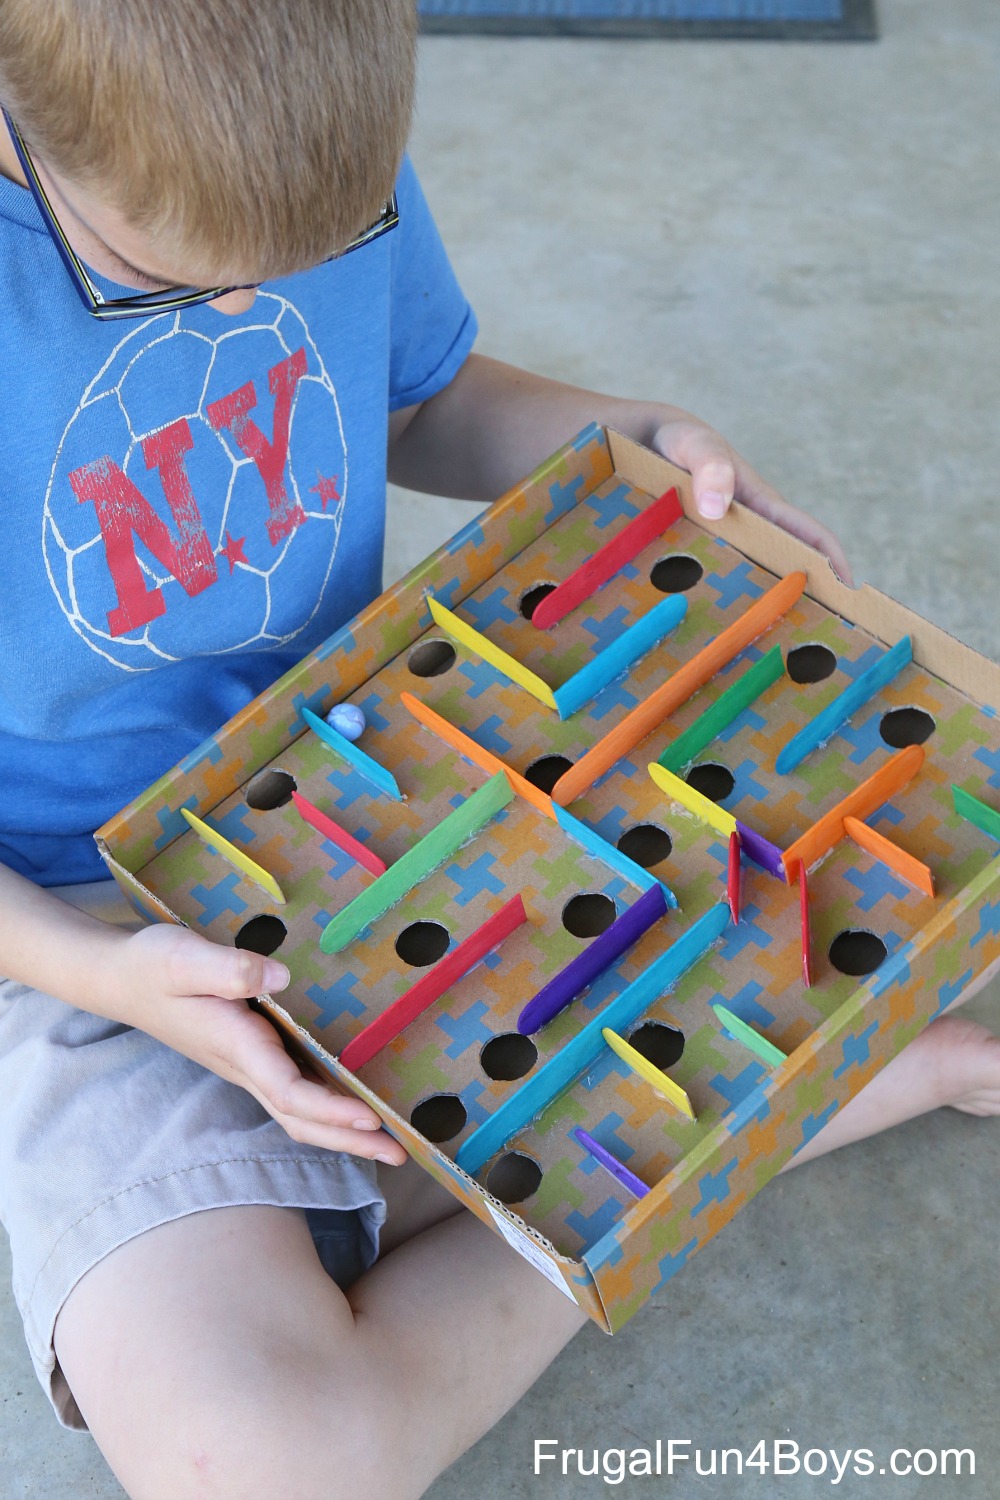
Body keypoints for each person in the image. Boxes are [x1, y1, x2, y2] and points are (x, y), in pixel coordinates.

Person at [0, 4, 996, 1497]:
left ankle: (672, 1111)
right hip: (84, 928)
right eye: (165, 282)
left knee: (932, 831)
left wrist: (635, 434)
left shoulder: (299, 140)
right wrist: (95, 975)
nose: (244, 311)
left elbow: (434, 399)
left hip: (407, 756)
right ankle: (796, 1108)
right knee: (263, 1468)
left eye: (307, 256)